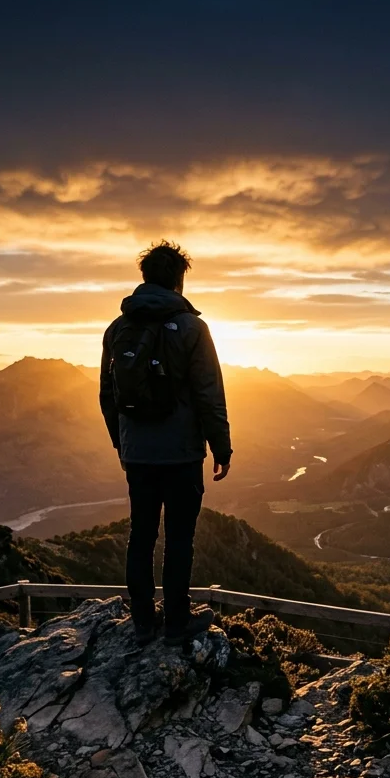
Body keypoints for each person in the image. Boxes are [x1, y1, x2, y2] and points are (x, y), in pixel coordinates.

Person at [99, 240, 232, 646]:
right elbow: (209, 393)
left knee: (141, 535)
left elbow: (108, 395)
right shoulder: (192, 328)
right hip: (181, 454)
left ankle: (142, 622)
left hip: (138, 455)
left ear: (144, 278)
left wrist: (122, 446)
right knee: (179, 539)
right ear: (179, 280)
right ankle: (176, 623)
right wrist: (221, 448)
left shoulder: (118, 329)